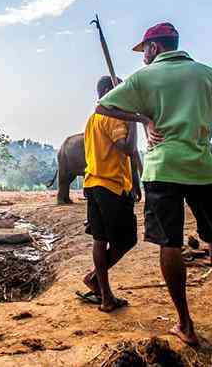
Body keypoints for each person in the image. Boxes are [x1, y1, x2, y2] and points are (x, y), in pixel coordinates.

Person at [96, 22, 212, 345]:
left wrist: (144, 118)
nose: (143, 59)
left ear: (154, 48)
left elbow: (103, 105)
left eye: (144, 52)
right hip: (204, 171)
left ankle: (185, 325)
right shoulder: (206, 73)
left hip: (162, 171)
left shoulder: (145, 78)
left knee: (170, 244)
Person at [78, 75, 141, 312]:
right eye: (119, 88)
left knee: (100, 238)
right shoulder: (113, 117)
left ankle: (105, 296)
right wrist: (133, 119)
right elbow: (127, 148)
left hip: (93, 183)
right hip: (112, 187)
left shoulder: (92, 118)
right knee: (127, 240)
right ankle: (95, 279)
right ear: (107, 91)